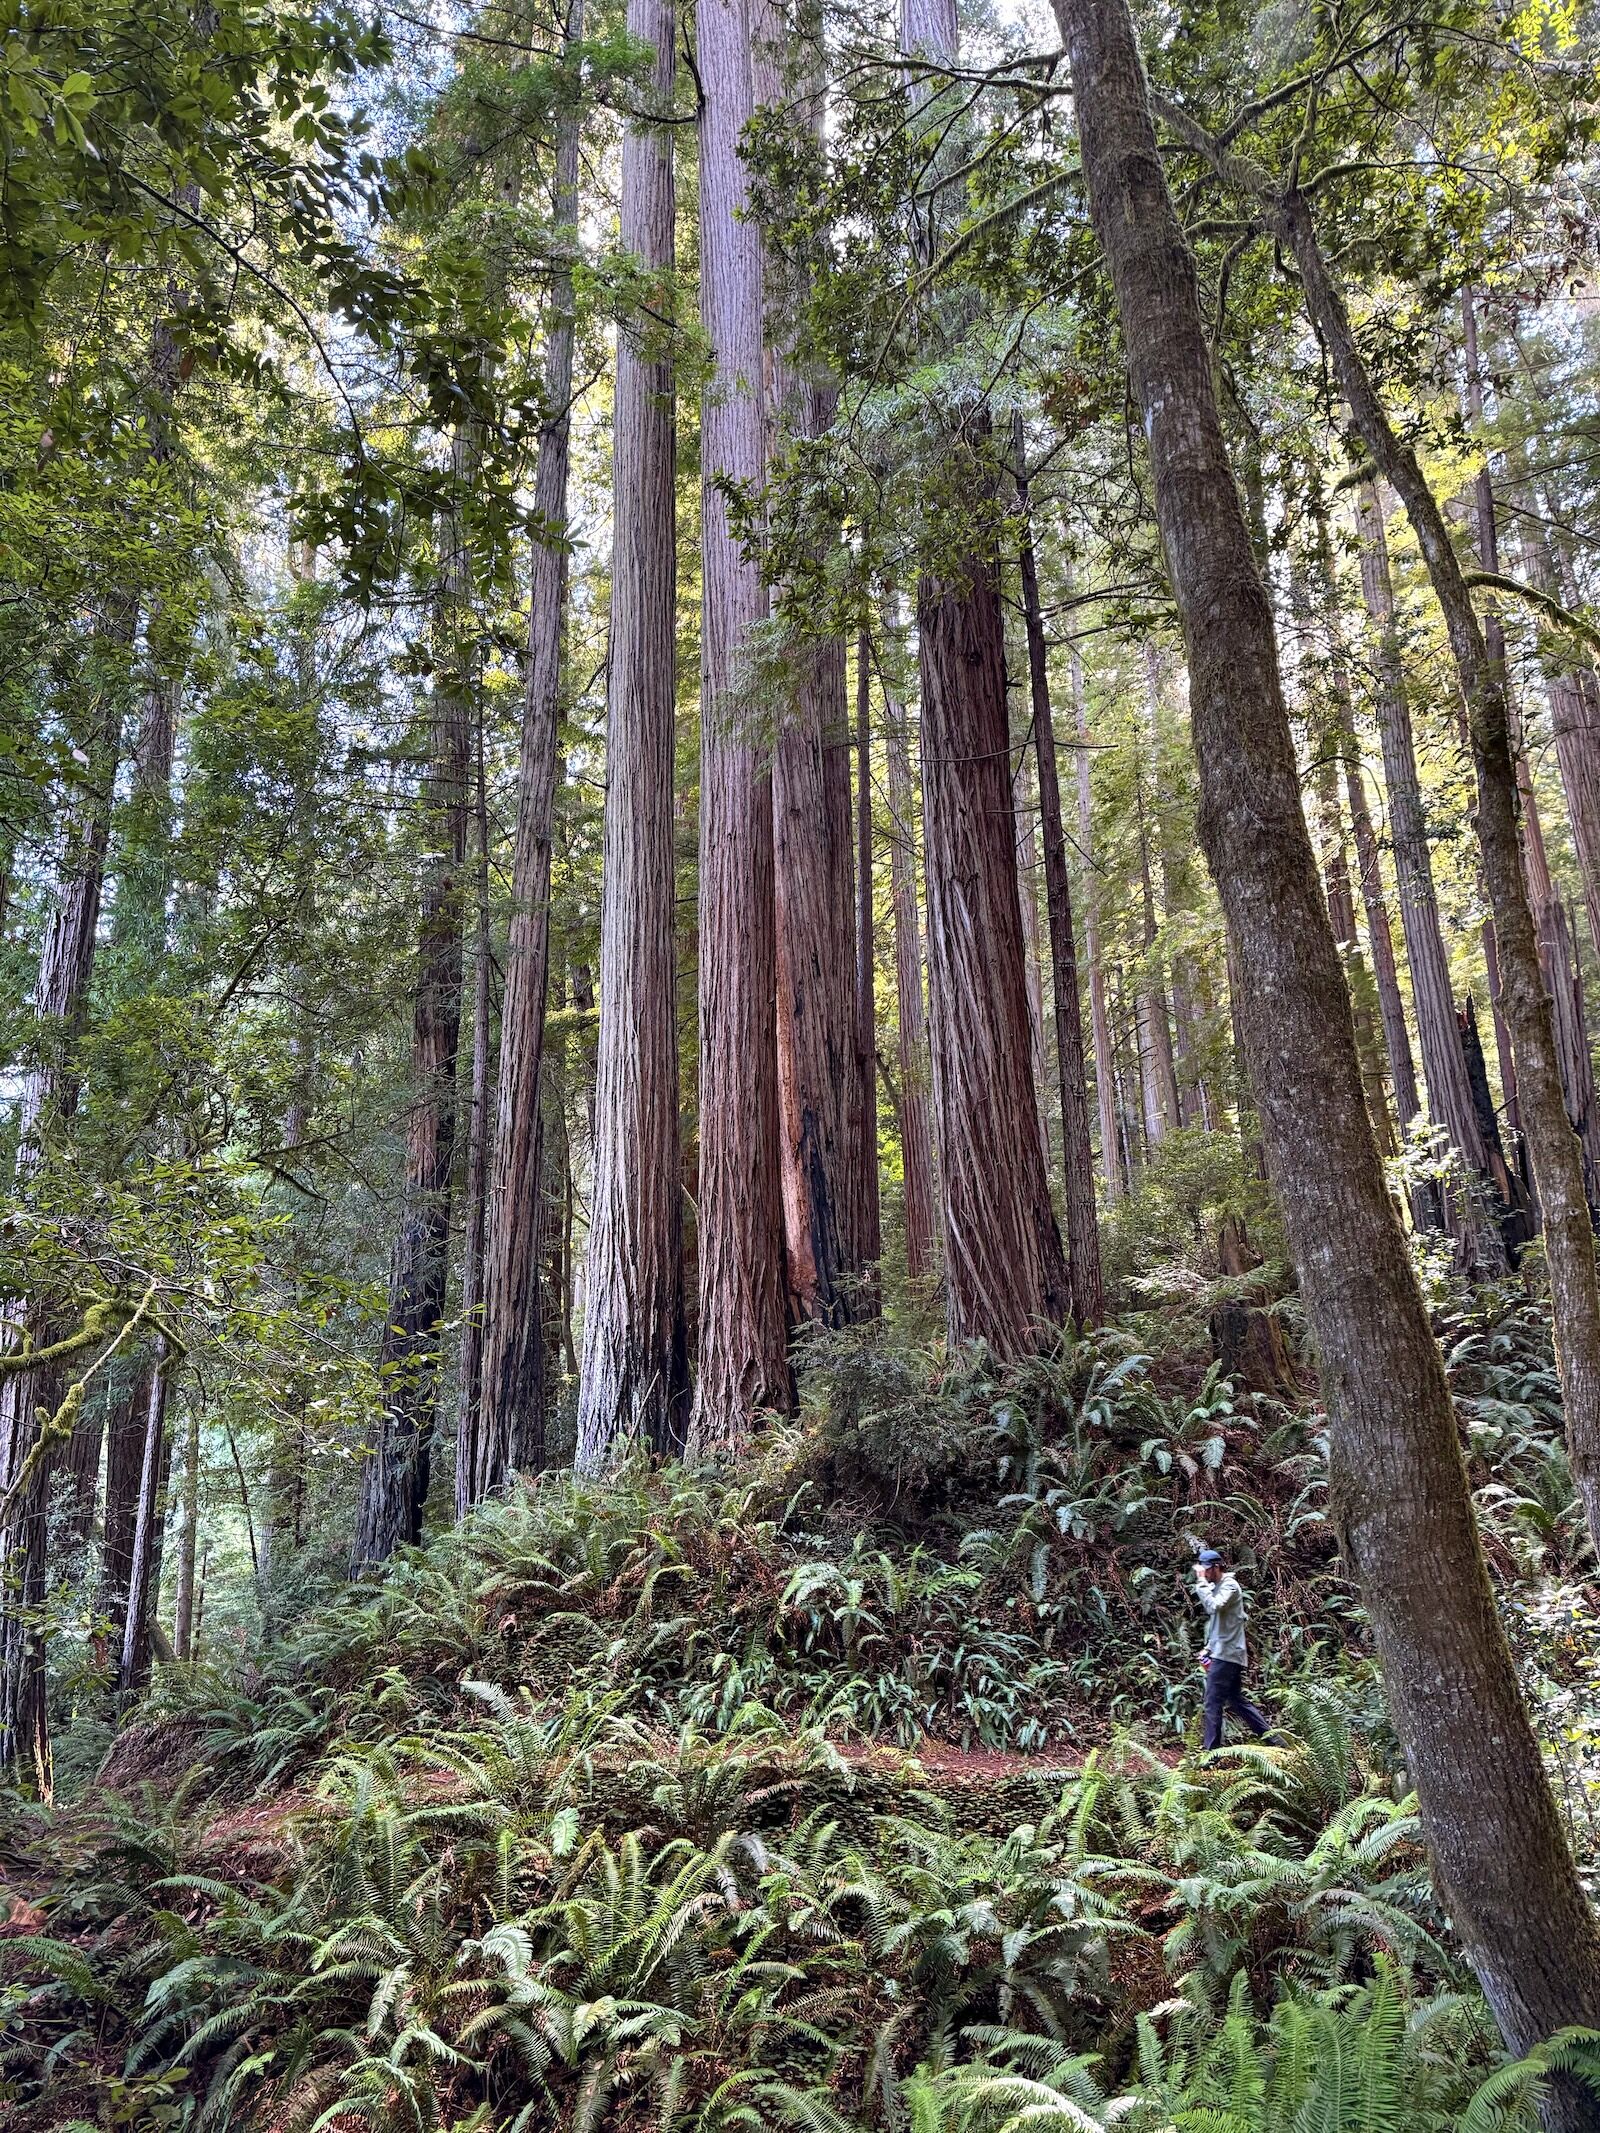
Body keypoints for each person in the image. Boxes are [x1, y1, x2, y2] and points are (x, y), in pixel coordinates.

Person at [1191, 1548, 1270, 1751]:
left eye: (1206, 1570)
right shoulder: (1217, 1585)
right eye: (1202, 1571)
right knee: (1237, 1701)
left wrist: (1200, 1582)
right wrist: (1208, 1649)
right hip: (1223, 1652)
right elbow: (1222, 1624)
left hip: (1228, 1655)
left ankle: (1211, 1754)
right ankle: (1274, 1741)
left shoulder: (1230, 1586)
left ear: (1217, 1567)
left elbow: (1214, 1607)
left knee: (1212, 1701)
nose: (1204, 1574)